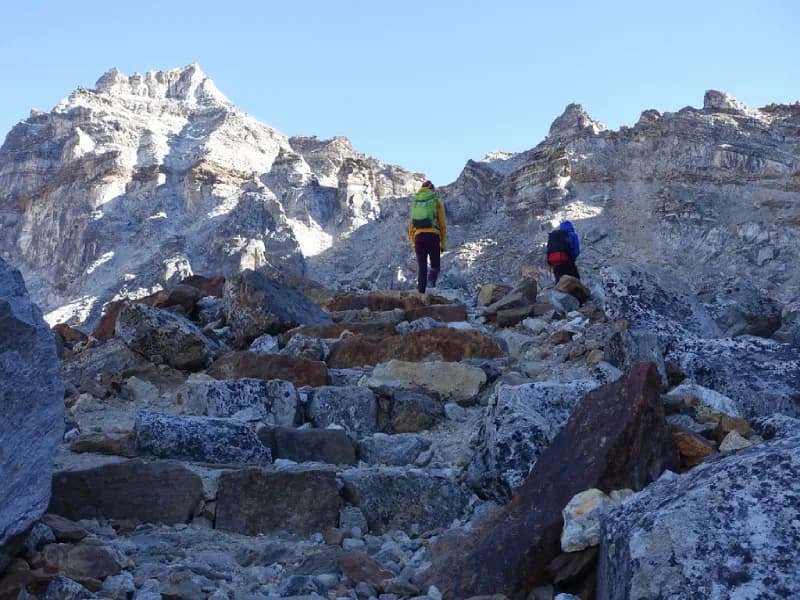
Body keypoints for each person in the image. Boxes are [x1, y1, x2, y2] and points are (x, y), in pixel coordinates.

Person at [408, 180, 447, 293]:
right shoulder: (436, 201)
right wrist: (443, 244)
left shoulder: (416, 202)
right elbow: (442, 225)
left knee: (422, 268)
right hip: (432, 236)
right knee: (435, 266)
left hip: (418, 238)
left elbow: (411, 226)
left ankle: (421, 293)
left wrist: (413, 243)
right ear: (432, 189)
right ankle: (431, 283)